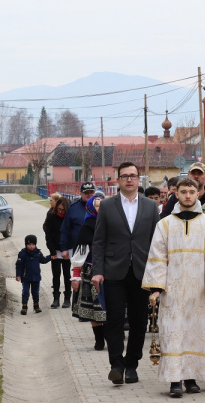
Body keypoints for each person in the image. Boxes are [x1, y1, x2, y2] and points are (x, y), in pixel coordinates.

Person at [142, 177, 205, 397]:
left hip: (199, 290)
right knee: (173, 333)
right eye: (183, 192)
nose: (188, 196)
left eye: (192, 191)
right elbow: (157, 257)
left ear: (199, 193)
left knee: (196, 332)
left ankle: (191, 378)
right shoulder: (164, 224)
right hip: (172, 290)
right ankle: (174, 380)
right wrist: (156, 287)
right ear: (176, 194)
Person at [92, 162, 160, 385]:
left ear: (139, 179)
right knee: (114, 320)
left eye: (133, 176)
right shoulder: (108, 206)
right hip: (114, 271)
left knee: (139, 322)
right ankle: (116, 365)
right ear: (118, 180)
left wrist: (157, 273)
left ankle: (132, 365)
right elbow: (99, 240)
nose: (129, 180)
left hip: (142, 272)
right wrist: (97, 271)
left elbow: (156, 242)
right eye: (124, 176)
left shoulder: (151, 207)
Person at [71, 195, 107, 350]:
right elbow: (79, 255)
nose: (99, 208)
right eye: (97, 206)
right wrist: (75, 277)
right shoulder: (87, 227)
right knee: (94, 309)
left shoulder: (111, 224)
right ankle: (99, 340)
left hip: (110, 271)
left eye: (102, 205)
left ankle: (112, 338)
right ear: (91, 207)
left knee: (112, 307)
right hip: (91, 272)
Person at [59, 182, 97, 308]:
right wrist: (63, 248)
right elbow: (65, 229)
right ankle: (77, 306)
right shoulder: (73, 208)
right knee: (78, 277)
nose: (89, 195)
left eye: (91, 192)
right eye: (86, 193)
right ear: (80, 194)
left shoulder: (100, 207)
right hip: (79, 250)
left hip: (96, 251)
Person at [44, 197, 72, 308]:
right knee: (56, 274)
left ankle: (67, 298)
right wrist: (52, 251)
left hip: (67, 249)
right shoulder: (51, 216)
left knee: (67, 274)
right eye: (59, 209)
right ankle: (56, 298)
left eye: (63, 210)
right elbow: (48, 235)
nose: (60, 212)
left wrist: (68, 249)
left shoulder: (69, 218)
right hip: (55, 249)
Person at [16, 235, 52, 315]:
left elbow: (43, 260)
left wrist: (51, 257)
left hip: (36, 277)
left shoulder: (38, 253)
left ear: (35, 244)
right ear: (26, 245)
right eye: (29, 245)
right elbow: (19, 265)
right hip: (26, 277)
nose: (31, 246)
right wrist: (18, 275)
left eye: (33, 244)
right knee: (25, 292)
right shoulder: (22, 254)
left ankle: (36, 306)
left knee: (35, 292)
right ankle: (24, 307)